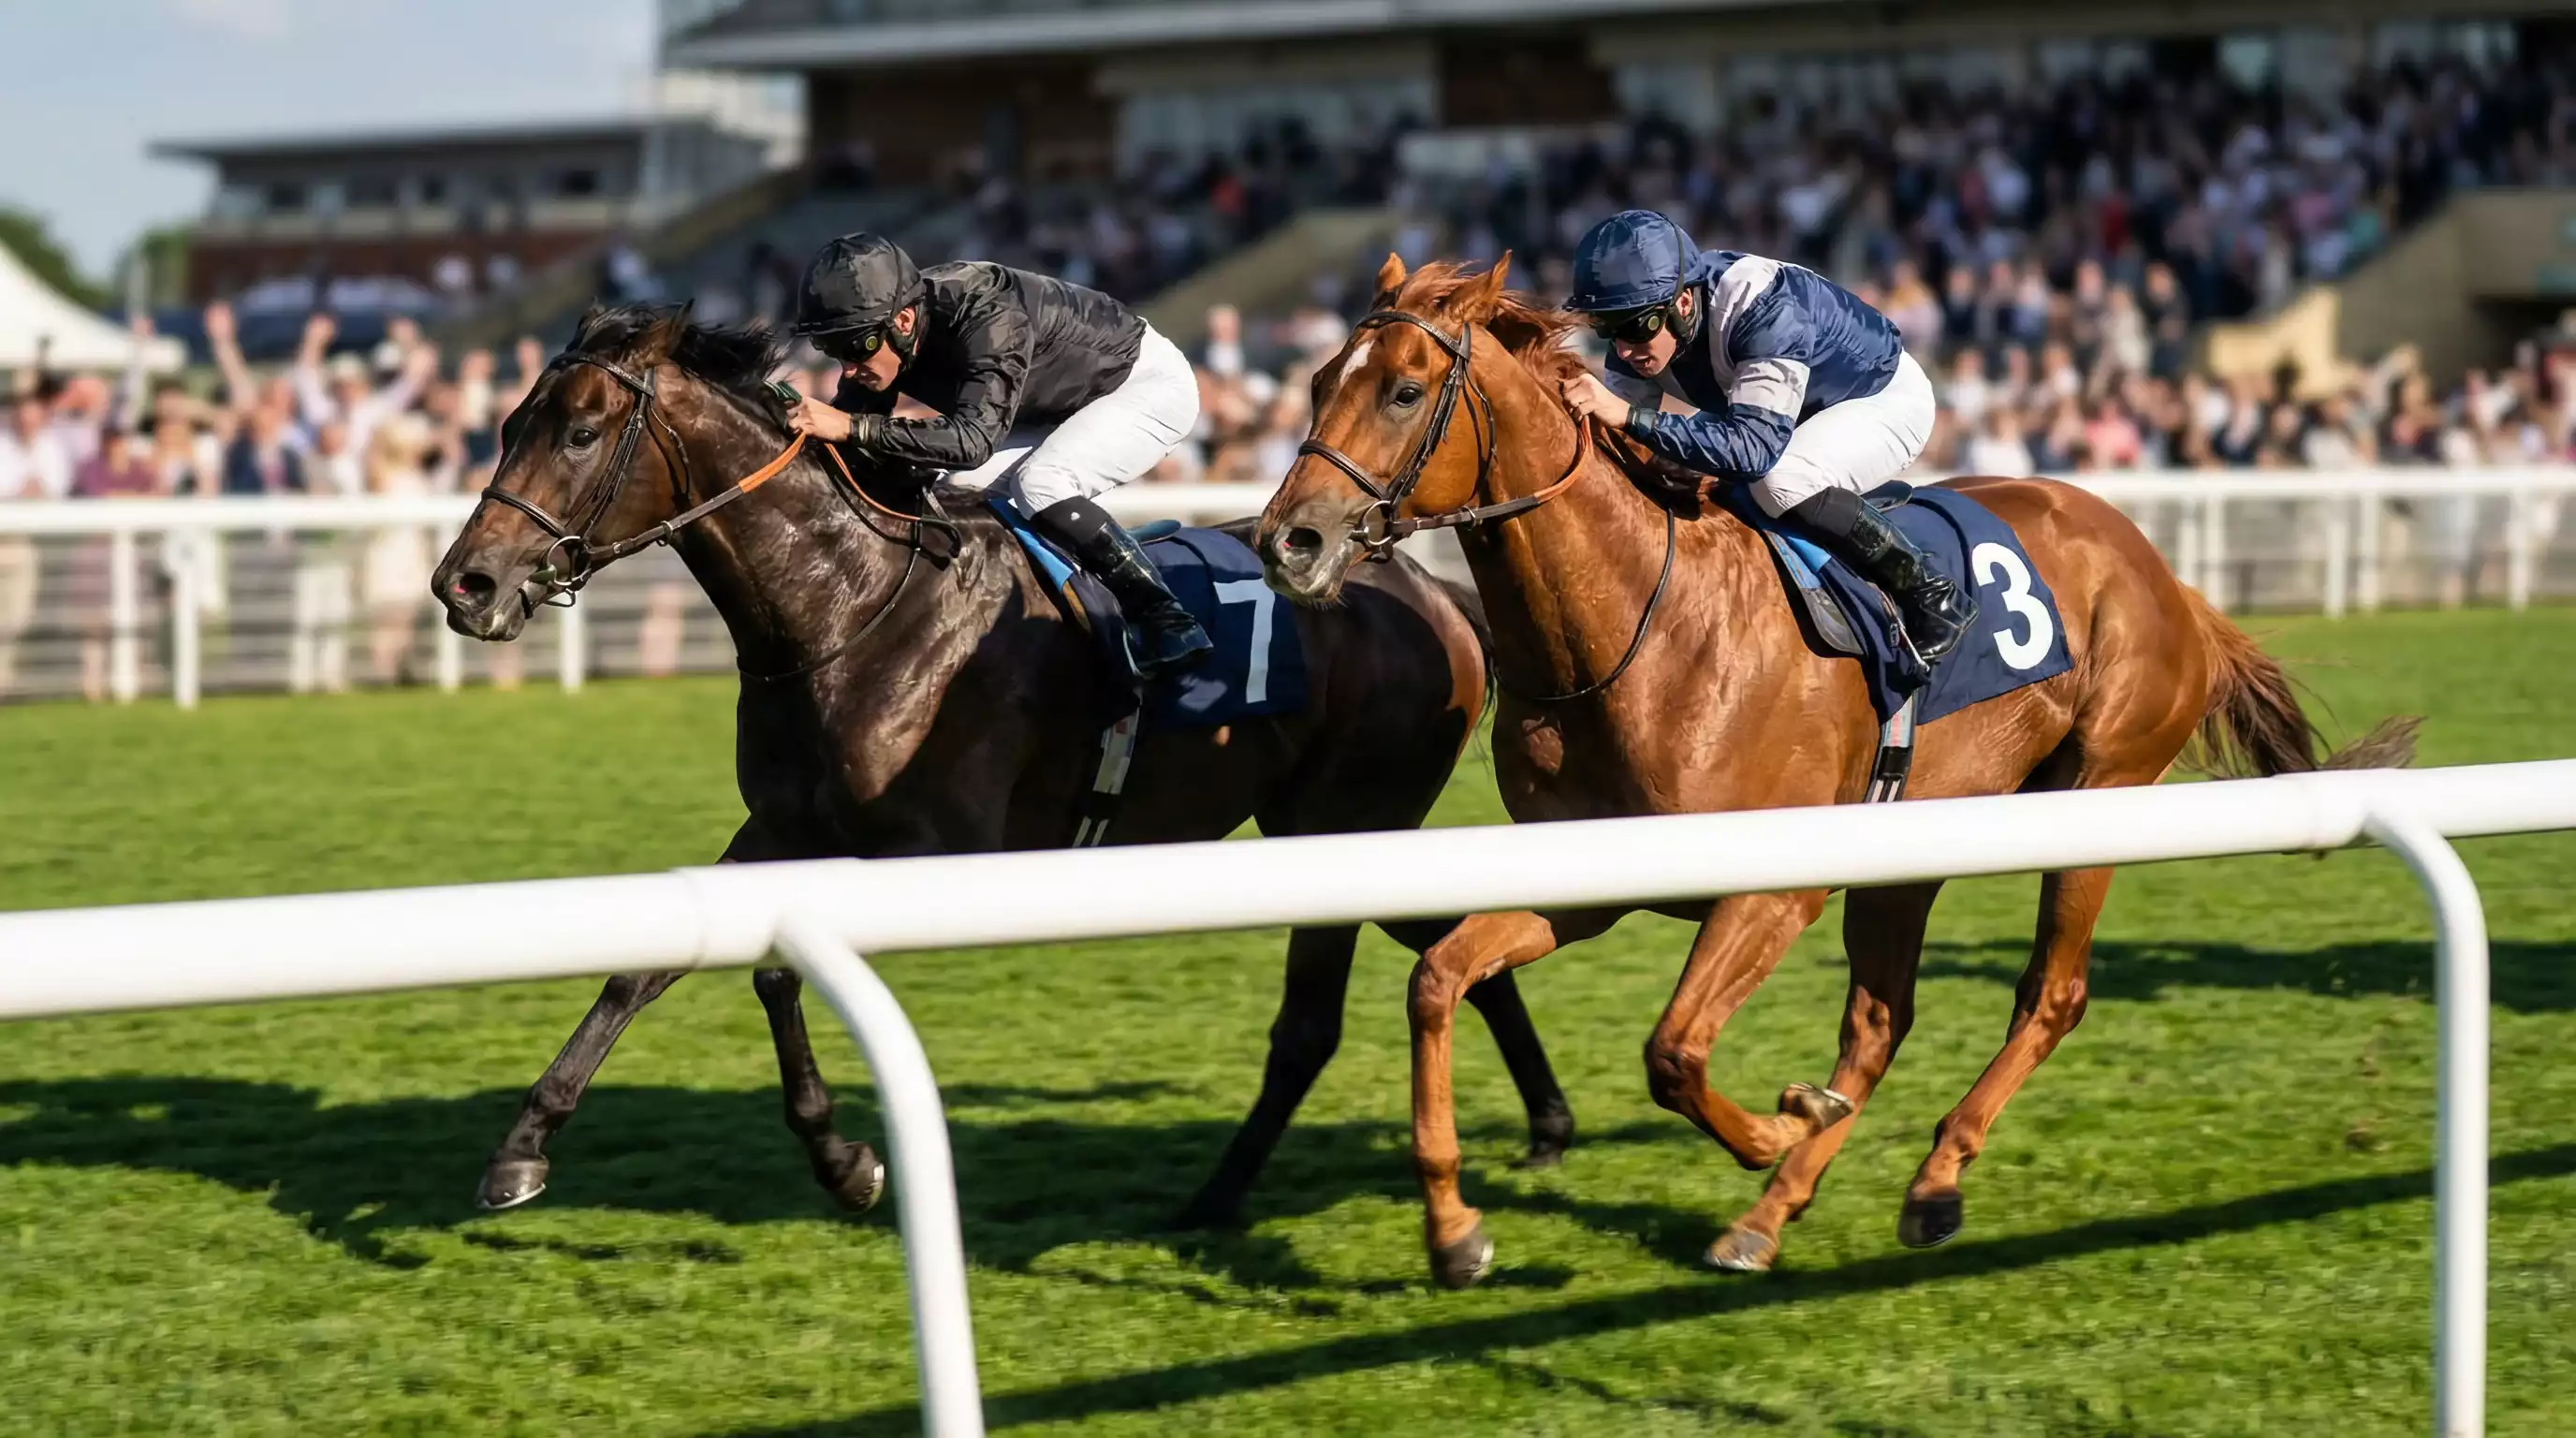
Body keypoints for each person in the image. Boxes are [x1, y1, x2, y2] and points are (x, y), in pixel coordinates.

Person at [1555, 209, 1976, 661]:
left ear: (1681, 303)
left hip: (1880, 399)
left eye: (1637, 327)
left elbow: (1754, 452)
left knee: (1778, 481)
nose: (1622, 350)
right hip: (1785, 417)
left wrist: (1631, 417)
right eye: (1607, 329)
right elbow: (1620, 444)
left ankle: (1930, 592)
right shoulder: (1643, 320)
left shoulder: (1764, 306)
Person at [783, 232, 1212, 676]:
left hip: (1143, 386)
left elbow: (971, 443)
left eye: (856, 347)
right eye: (832, 350)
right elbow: (848, 445)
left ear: (905, 321)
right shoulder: (885, 330)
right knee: (957, 493)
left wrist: (853, 427)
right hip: (1053, 404)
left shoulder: (988, 313)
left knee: (1043, 483)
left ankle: (1168, 619)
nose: (848, 368)